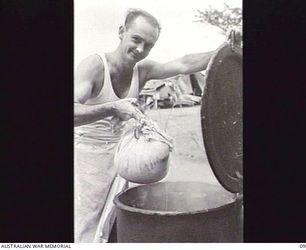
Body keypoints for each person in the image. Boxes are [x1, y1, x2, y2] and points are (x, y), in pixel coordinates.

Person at [74, 8, 238, 243]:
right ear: (122, 32)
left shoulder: (142, 70)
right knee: (85, 224)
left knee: (115, 219)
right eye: (136, 39)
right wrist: (111, 107)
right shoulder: (95, 65)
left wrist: (223, 48)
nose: (140, 49)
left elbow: (184, 63)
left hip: (121, 156)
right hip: (86, 160)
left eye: (148, 45)